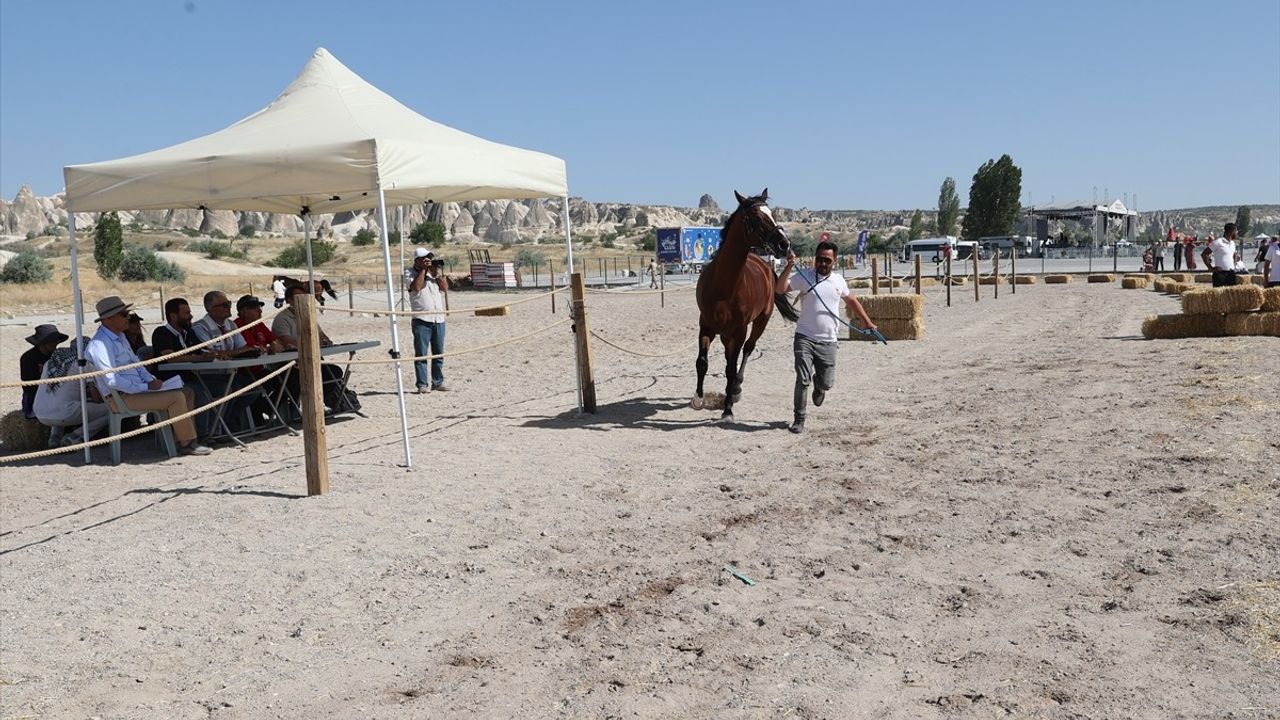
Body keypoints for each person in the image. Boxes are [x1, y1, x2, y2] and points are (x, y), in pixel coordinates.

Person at [84, 296, 211, 456]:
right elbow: (111, 380)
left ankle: (183, 439)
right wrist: (145, 386)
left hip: (138, 391)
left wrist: (151, 380)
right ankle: (186, 443)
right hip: (122, 397)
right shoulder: (99, 344)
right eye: (124, 315)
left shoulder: (120, 338)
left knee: (187, 392)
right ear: (109, 319)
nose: (128, 318)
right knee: (177, 396)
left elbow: (137, 364)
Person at [775, 240, 876, 434]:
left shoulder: (839, 281)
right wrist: (788, 266)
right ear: (815, 259)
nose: (822, 263)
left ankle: (819, 387)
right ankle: (799, 419)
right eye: (819, 259)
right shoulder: (804, 276)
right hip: (804, 337)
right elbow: (780, 289)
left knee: (827, 382)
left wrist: (867, 321)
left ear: (835, 261)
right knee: (802, 379)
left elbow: (852, 300)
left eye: (827, 260)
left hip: (829, 341)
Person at [273, 284, 360, 411]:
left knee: (334, 371)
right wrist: (312, 342)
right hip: (292, 364)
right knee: (307, 377)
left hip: (312, 360)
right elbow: (285, 341)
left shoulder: (308, 315)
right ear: (289, 301)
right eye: (299, 297)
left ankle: (335, 401)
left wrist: (323, 341)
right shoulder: (282, 319)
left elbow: (323, 337)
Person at [34, 337, 111, 447]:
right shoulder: (83, 363)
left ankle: (55, 437)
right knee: (111, 410)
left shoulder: (51, 362)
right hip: (65, 414)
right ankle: (76, 436)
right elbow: (97, 398)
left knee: (58, 400)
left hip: (40, 413)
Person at [403, 247, 448, 393]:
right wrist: (423, 270)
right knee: (421, 354)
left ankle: (437, 381)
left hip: (438, 318)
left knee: (438, 353)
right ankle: (422, 384)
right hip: (422, 319)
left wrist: (437, 273)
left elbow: (445, 288)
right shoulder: (410, 273)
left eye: (429, 258)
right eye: (424, 259)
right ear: (417, 260)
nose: (427, 261)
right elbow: (416, 287)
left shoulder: (432, 274)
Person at [20, 324, 67, 419]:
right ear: (43, 343)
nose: (56, 343)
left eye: (56, 341)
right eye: (53, 341)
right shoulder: (28, 358)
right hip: (36, 397)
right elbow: (29, 385)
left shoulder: (57, 355)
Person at [1202, 223, 1240, 287]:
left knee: (1230, 295)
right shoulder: (1218, 242)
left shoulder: (1233, 243)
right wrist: (1210, 268)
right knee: (1219, 296)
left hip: (1231, 274)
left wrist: (1234, 264)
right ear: (1232, 231)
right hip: (1220, 274)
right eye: (1236, 231)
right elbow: (1204, 254)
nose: (1237, 233)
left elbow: (1234, 254)